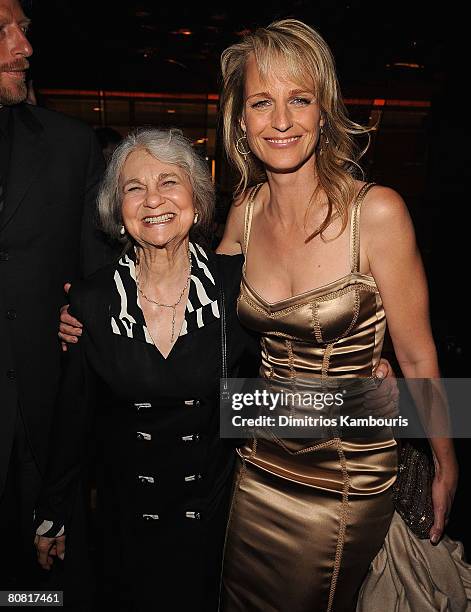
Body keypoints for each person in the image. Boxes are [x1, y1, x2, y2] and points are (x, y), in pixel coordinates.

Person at [216, 19, 462, 611]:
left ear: (323, 112)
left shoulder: (375, 214)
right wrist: (95, 305)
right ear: (241, 121)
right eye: (261, 103)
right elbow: (205, 328)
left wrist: (446, 462)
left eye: (299, 100)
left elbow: (418, 355)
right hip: (254, 466)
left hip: (346, 477)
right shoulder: (243, 214)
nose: (280, 120)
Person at [34, 128, 258, 611]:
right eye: (134, 188)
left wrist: (398, 399)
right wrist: (52, 514)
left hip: (217, 528)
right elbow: (72, 419)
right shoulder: (91, 303)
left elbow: (277, 391)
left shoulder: (237, 289)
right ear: (118, 212)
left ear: (197, 201)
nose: (152, 199)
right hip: (126, 529)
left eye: (169, 182)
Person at [0, 0, 113, 591]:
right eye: (1, 32)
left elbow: (97, 303)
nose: (24, 48)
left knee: (34, 596)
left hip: (41, 447)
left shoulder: (70, 147)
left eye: (24, 29)